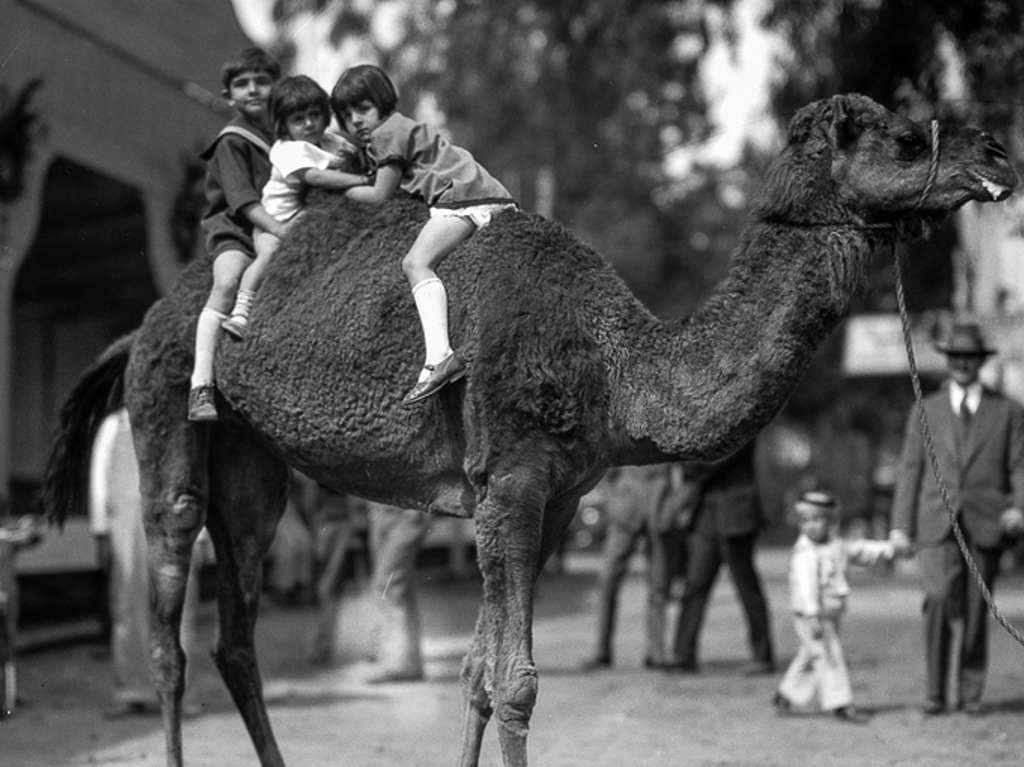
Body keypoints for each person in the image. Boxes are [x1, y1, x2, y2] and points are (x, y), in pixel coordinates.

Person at [330, 64, 517, 404]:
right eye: (346, 114)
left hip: (462, 198)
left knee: (415, 263)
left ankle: (439, 357)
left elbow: (377, 195)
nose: (355, 120)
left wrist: (336, 188)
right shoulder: (399, 127)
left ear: (382, 103)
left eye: (362, 109)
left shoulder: (387, 134)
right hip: (488, 193)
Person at [890, 321, 1024, 716]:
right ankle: (935, 692)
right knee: (935, 599)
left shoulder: (1008, 411)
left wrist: (1019, 507)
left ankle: (969, 693)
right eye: (956, 357)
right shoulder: (924, 408)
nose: (963, 364)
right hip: (935, 521)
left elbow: (1019, 465)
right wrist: (900, 527)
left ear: (981, 362)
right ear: (948, 361)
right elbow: (910, 468)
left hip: (986, 522)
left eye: (970, 357)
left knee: (976, 608)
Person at [220, 75, 371, 339]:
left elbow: (352, 153)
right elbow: (315, 177)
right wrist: (364, 180)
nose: (309, 124)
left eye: (314, 115)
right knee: (268, 255)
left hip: (305, 217)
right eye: (298, 119)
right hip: (274, 222)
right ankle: (241, 311)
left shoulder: (329, 140)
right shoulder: (289, 149)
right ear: (283, 125)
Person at [89, 408, 205, 717]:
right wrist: (100, 526)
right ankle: (132, 690)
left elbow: (198, 476)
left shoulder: (184, 423)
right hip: (126, 522)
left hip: (174, 523)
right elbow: (100, 478)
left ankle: (177, 693)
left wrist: (202, 534)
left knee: (178, 607)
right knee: (128, 604)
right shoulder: (114, 425)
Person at [188, 47, 281, 421]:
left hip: (274, 232)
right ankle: (200, 385)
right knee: (228, 282)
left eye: (262, 81)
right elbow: (242, 201)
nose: (253, 89)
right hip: (238, 232)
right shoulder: (232, 141)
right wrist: (281, 230)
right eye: (243, 85)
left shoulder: (285, 141)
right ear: (229, 96)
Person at [772, 490, 896, 723]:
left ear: (831, 522)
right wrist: (811, 615)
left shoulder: (836, 546)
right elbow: (806, 587)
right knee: (830, 656)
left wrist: (891, 549)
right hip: (812, 615)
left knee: (812, 655)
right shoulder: (805, 553)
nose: (811, 526)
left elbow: (861, 551)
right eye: (805, 521)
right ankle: (840, 703)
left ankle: (786, 694)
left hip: (830, 613)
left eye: (817, 520)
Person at [667, 439, 776, 675]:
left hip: (736, 513)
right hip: (707, 513)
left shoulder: (743, 418)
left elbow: (715, 458)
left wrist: (687, 466)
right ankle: (683, 654)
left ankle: (762, 655)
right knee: (694, 585)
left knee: (746, 587)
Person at [580, 463, 691, 670]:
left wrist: (674, 507)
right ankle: (601, 651)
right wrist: (613, 502)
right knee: (607, 582)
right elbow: (603, 470)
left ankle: (656, 652)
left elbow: (686, 474)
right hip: (624, 515)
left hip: (660, 516)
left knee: (659, 586)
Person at [364, 502, 428, 683]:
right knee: (400, 586)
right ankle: (410, 663)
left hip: (405, 513)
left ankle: (397, 664)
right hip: (379, 511)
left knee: (386, 586)